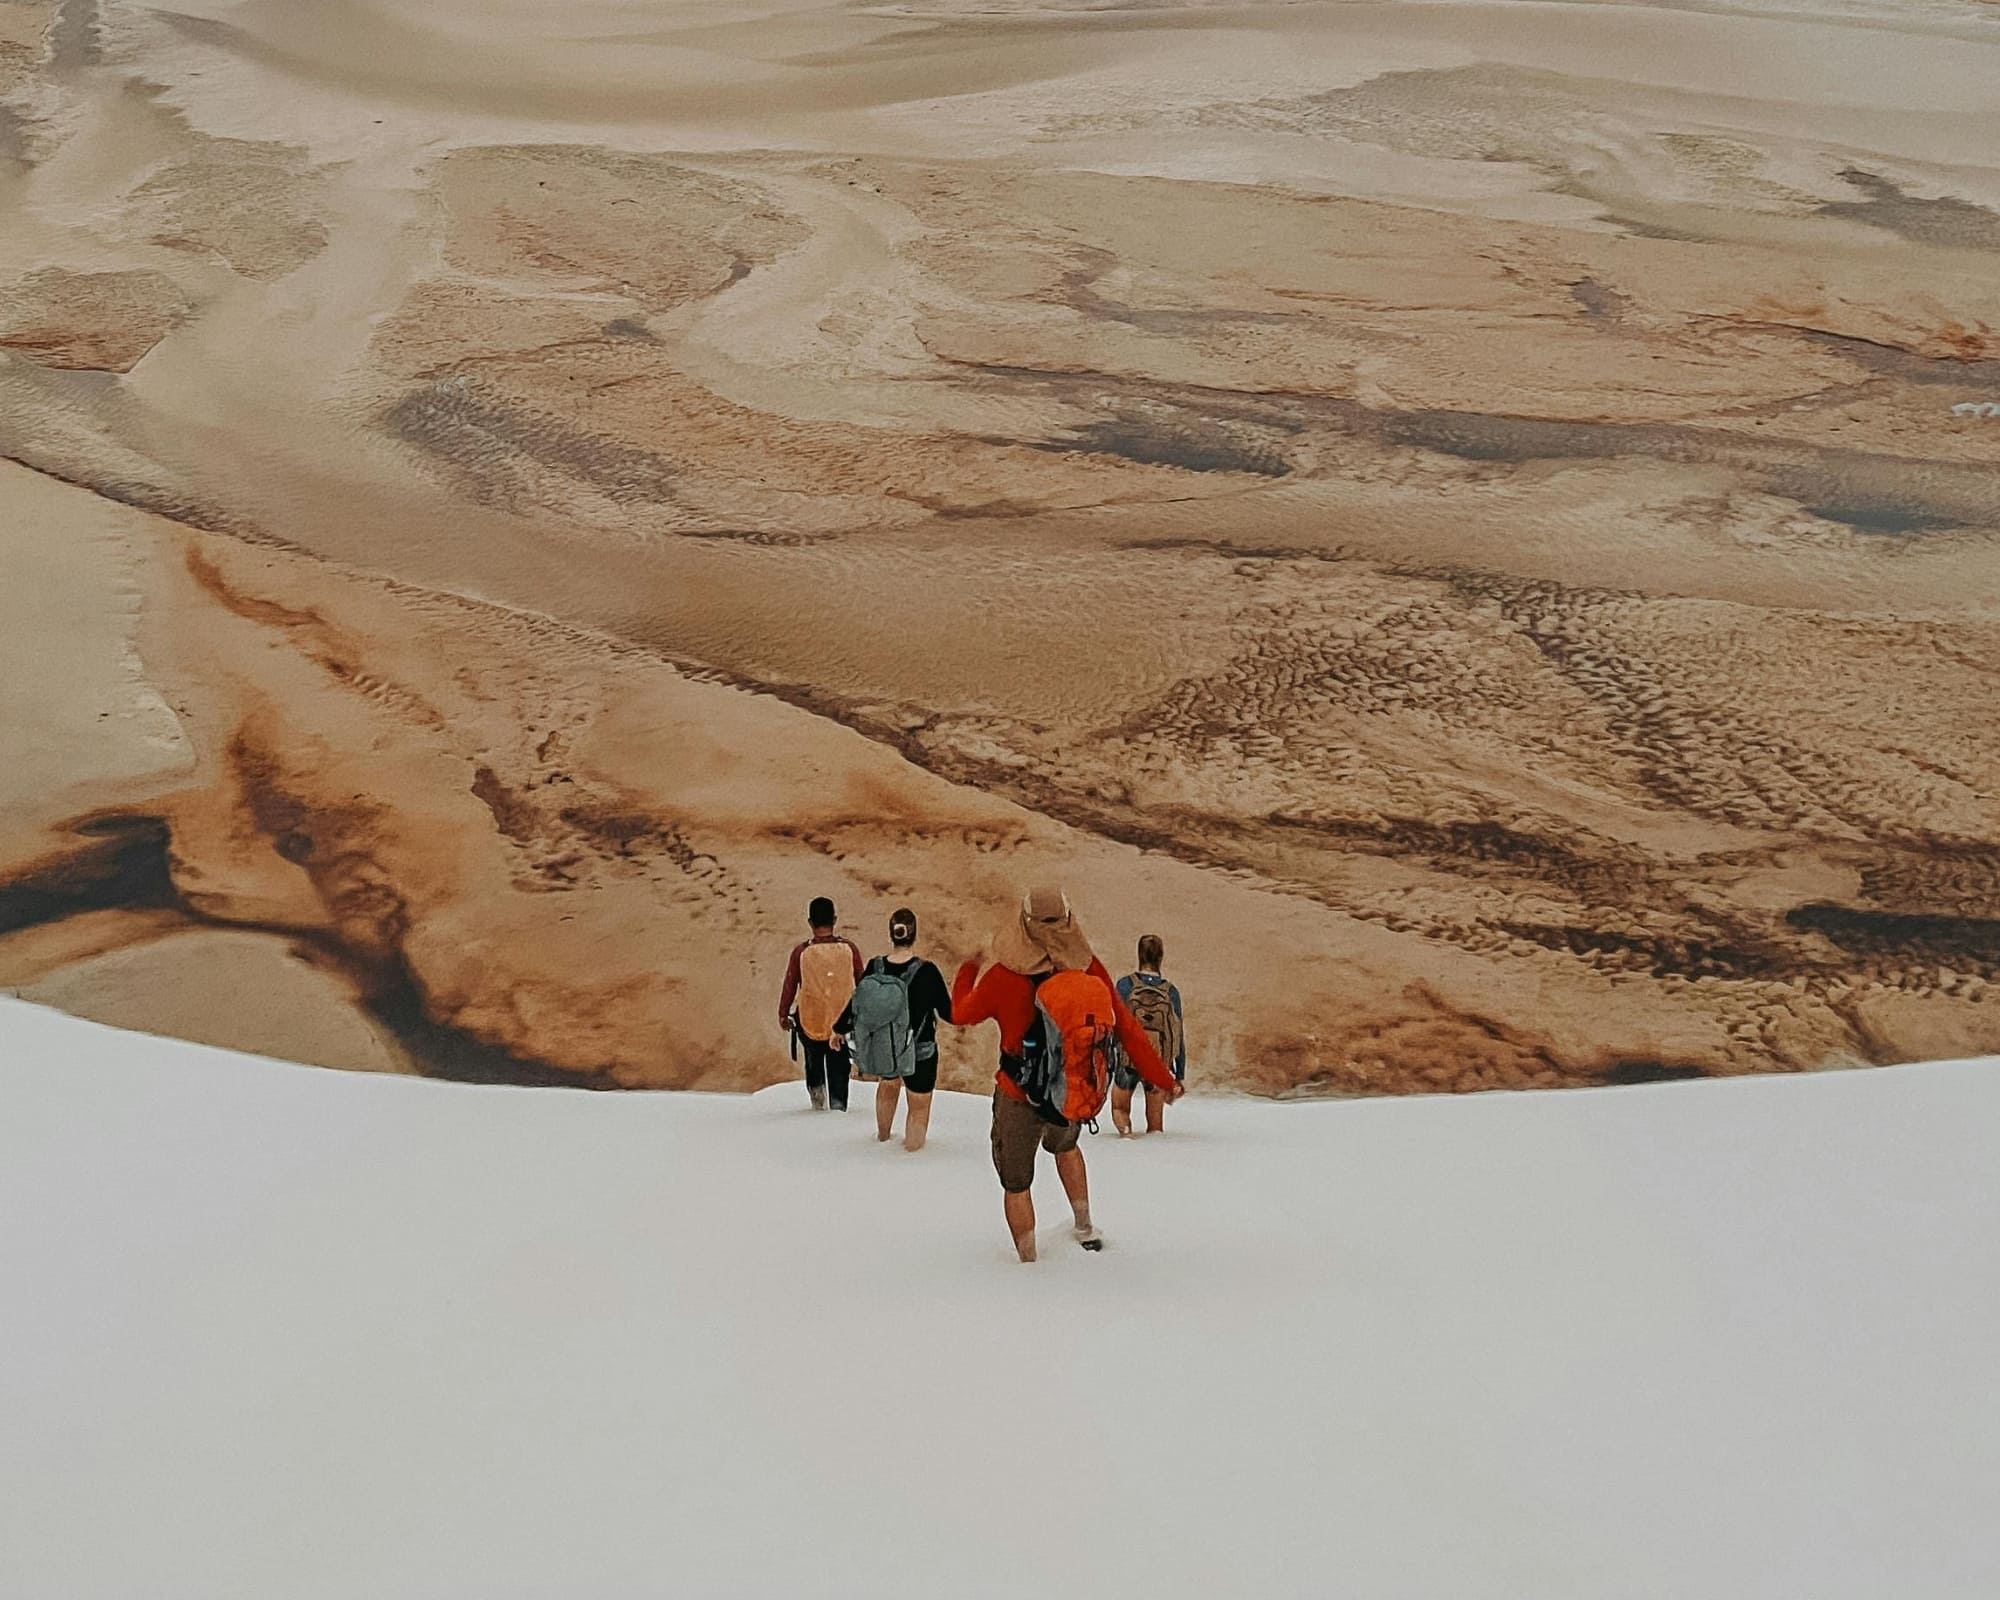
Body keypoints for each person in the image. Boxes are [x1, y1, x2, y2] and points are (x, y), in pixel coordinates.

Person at [953, 885, 1182, 1262]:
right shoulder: (1088, 970)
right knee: (1066, 1147)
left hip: (1018, 1092)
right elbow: (1127, 1030)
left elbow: (960, 1014)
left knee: (1016, 1183)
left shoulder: (1003, 976)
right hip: (1069, 1087)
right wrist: (1164, 1080)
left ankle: (1029, 1263)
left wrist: (968, 969)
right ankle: (1085, 1226)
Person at [838, 907, 955, 1151]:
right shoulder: (928, 972)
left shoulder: (875, 967)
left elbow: (856, 1005)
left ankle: (882, 1138)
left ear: (891, 934)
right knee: (919, 1104)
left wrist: (838, 1029)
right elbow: (948, 1014)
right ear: (914, 934)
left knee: (888, 1085)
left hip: (885, 1047)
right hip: (919, 1050)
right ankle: (912, 1153)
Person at [777, 896, 862, 1111]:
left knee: (813, 1063)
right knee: (840, 1067)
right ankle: (838, 1107)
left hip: (810, 1020)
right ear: (834, 919)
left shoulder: (801, 952)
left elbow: (790, 984)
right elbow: (863, 983)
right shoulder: (849, 949)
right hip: (842, 1023)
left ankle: (817, 1103)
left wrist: (783, 1014)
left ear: (810, 922)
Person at [1113, 934, 1186, 1137]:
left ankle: (1126, 1136)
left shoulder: (1125, 985)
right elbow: (1178, 1035)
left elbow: (1113, 1024)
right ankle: (1154, 1156)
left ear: (1139, 955)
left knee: (1120, 1109)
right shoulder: (1171, 992)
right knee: (1155, 1127)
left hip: (1128, 1060)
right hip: (1157, 1063)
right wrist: (1178, 1074)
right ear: (1161, 957)